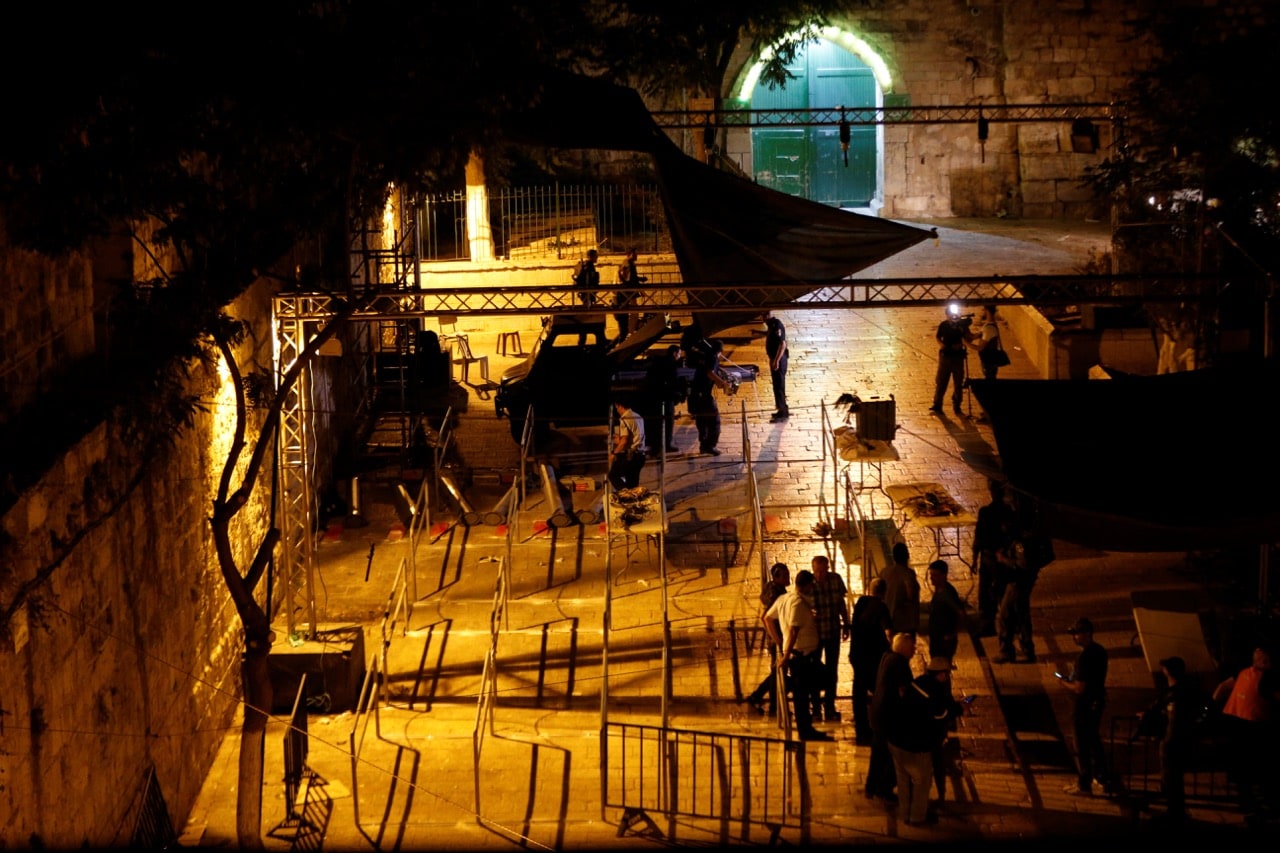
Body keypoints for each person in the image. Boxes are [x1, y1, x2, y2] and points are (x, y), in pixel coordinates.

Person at [1212, 645, 1280, 821]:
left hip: (1253, 726)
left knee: (1252, 767)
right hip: (1246, 725)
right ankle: (1253, 801)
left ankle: (1256, 801)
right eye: (1261, 658)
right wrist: (1211, 705)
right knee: (1249, 767)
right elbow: (1224, 687)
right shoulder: (1247, 673)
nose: (1264, 661)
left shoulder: (1265, 677)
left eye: (1264, 658)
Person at [763, 569, 832, 742]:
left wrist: (778, 640)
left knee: (804, 691)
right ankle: (805, 729)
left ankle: (806, 726)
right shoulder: (797, 603)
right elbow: (794, 630)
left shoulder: (784, 599)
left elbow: (766, 618)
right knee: (807, 691)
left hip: (798, 654)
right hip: (802, 655)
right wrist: (785, 654)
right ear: (808, 585)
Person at [1140, 655, 1200, 823]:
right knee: (1173, 775)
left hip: (1172, 740)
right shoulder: (1186, 691)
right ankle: (1174, 808)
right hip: (1178, 739)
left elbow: (1165, 711)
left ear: (1168, 672)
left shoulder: (1174, 693)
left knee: (1171, 775)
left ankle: (1175, 811)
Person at [1060, 617, 1113, 796]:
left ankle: (1084, 783)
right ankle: (1102, 778)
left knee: (1081, 745)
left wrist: (1063, 682)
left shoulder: (1083, 658)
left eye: (1076, 634)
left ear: (1087, 634)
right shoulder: (1100, 651)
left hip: (1083, 706)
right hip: (1097, 702)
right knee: (1094, 741)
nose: (1074, 637)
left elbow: (1079, 688)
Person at [868, 633, 918, 805]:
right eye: (912, 646)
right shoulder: (900, 663)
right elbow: (906, 690)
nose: (915, 649)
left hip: (877, 714)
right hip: (888, 717)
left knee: (878, 753)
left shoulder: (888, 656)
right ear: (904, 648)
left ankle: (871, 786)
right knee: (895, 755)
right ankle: (884, 789)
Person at [915, 655, 964, 813]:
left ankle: (920, 799)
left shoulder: (920, 681)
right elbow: (941, 713)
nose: (947, 677)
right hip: (930, 736)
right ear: (940, 674)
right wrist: (958, 708)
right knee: (936, 767)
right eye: (947, 674)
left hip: (916, 733)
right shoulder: (937, 689)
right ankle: (937, 799)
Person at [972, 478, 1018, 636]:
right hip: (1002, 560)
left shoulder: (986, 512)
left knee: (986, 594)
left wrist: (974, 558)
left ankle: (988, 626)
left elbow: (978, 538)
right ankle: (1009, 627)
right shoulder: (1009, 512)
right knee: (1000, 593)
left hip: (989, 559)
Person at [850, 577, 893, 745]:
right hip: (874, 657)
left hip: (857, 655)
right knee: (881, 691)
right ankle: (880, 726)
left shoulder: (860, 603)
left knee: (859, 693)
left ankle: (861, 730)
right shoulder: (881, 608)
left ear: (869, 589)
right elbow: (889, 632)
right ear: (884, 592)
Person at [744, 563, 790, 715]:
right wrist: (778, 639)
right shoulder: (775, 593)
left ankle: (757, 697)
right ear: (776, 577)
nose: (787, 577)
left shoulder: (774, 589)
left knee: (777, 671)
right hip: (778, 637)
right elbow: (768, 616)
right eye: (784, 575)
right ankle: (774, 708)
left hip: (778, 637)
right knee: (778, 672)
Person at [809, 554, 850, 723]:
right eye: (816, 572)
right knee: (815, 671)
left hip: (832, 631)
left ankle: (830, 706)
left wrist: (846, 623)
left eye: (822, 571)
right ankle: (816, 708)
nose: (819, 575)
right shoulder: (809, 585)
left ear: (827, 568)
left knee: (832, 670)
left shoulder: (836, 580)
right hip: (816, 635)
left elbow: (841, 603)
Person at [685, 336, 732, 456]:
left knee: (702, 421)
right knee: (714, 421)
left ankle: (703, 445)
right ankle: (710, 445)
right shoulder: (713, 358)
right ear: (720, 351)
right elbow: (710, 372)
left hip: (696, 394)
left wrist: (722, 371)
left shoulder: (707, 355)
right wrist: (721, 383)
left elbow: (711, 368)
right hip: (704, 395)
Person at [930, 304, 973, 415]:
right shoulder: (943, 325)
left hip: (958, 358)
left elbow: (969, 337)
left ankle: (957, 404)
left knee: (958, 383)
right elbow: (938, 336)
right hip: (945, 358)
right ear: (947, 315)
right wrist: (941, 345)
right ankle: (937, 404)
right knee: (941, 382)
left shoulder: (962, 325)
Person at [642, 343, 684, 456]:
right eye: (679, 354)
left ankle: (654, 445)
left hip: (654, 396)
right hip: (665, 397)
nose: (680, 356)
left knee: (656, 422)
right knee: (668, 421)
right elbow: (672, 382)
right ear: (675, 353)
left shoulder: (659, 361)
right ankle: (666, 445)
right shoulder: (671, 364)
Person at [925, 560, 965, 662]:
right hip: (936, 638)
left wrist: (952, 634)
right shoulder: (939, 589)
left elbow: (960, 613)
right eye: (931, 575)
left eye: (934, 575)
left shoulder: (947, 594)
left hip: (944, 641)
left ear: (943, 575)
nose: (931, 578)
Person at [606, 399, 646, 491]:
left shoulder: (624, 419)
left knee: (613, 475)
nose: (617, 410)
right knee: (633, 485)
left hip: (631, 456)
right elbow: (636, 437)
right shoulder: (638, 416)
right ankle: (632, 500)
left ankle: (626, 494)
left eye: (617, 408)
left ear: (620, 406)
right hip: (640, 456)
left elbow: (625, 441)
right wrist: (619, 439)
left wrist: (614, 453)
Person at [883, 541, 921, 635]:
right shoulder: (908, 574)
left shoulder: (884, 572)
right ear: (907, 556)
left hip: (886, 620)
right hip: (904, 622)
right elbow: (910, 593)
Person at [763, 310, 790, 422]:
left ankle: (783, 412)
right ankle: (781, 409)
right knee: (776, 385)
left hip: (779, 359)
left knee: (779, 385)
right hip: (774, 359)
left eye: (764, 315)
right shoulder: (770, 325)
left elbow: (782, 344)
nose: (763, 318)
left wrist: (776, 361)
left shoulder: (776, 324)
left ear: (769, 314)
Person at [613, 247, 645, 340]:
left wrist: (639, 280)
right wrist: (634, 287)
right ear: (630, 254)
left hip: (629, 292)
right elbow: (628, 278)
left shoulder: (629, 263)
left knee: (633, 312)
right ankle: (631, 332)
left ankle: (630, 331)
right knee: (634, 312)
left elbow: (631, 277)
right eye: (635, 254)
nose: (637, 256)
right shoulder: (628, 263)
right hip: (628, 293)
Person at [971, 304, 1006, 382]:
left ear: (987, 311)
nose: (982, 312)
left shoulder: (989, 328)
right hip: (988, 361)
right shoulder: (987, 326)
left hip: (989, 362)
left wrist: (965, 343)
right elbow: (974, 336)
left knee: (990, 381)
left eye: (983, 310)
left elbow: (980, 348)